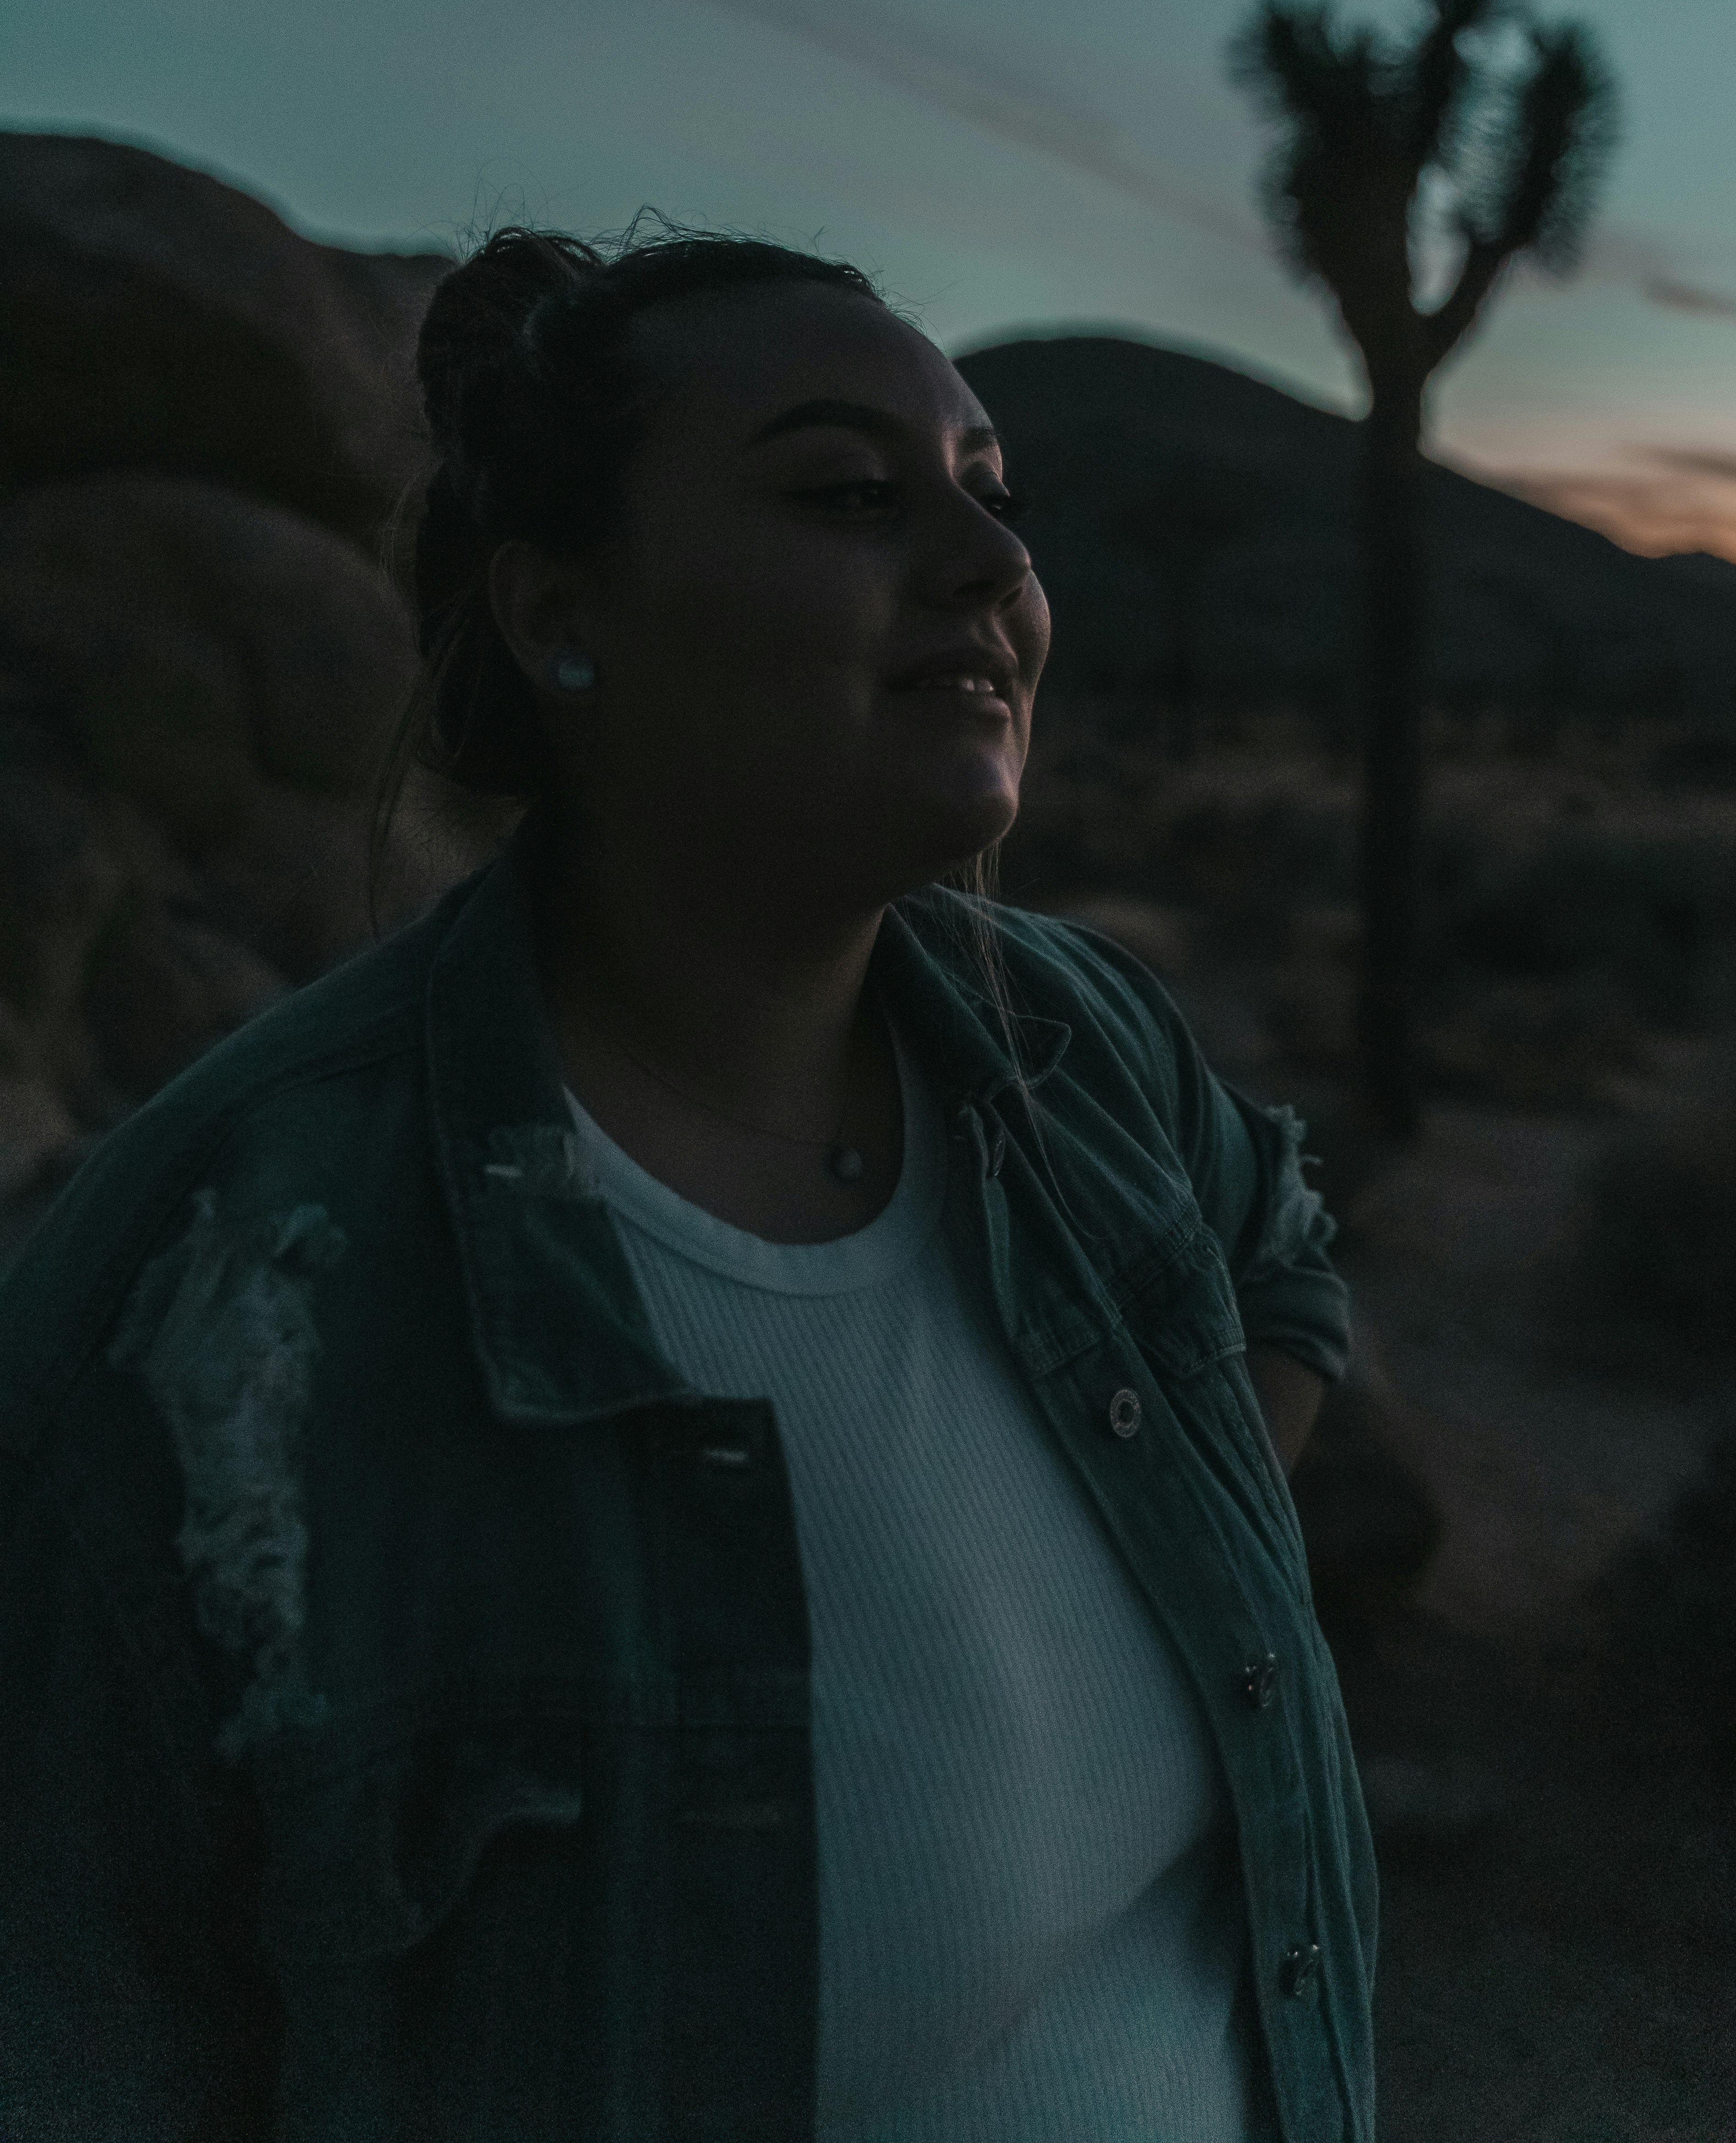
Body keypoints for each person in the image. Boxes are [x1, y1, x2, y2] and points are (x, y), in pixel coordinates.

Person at [0, 224, 1376, 2139]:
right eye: (845, 495)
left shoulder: (1073, 1045)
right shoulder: (220, 1293)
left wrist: (1164, 1556)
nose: (991, 570)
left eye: (997, 499)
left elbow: (1280, 1255)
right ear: (563, 607)